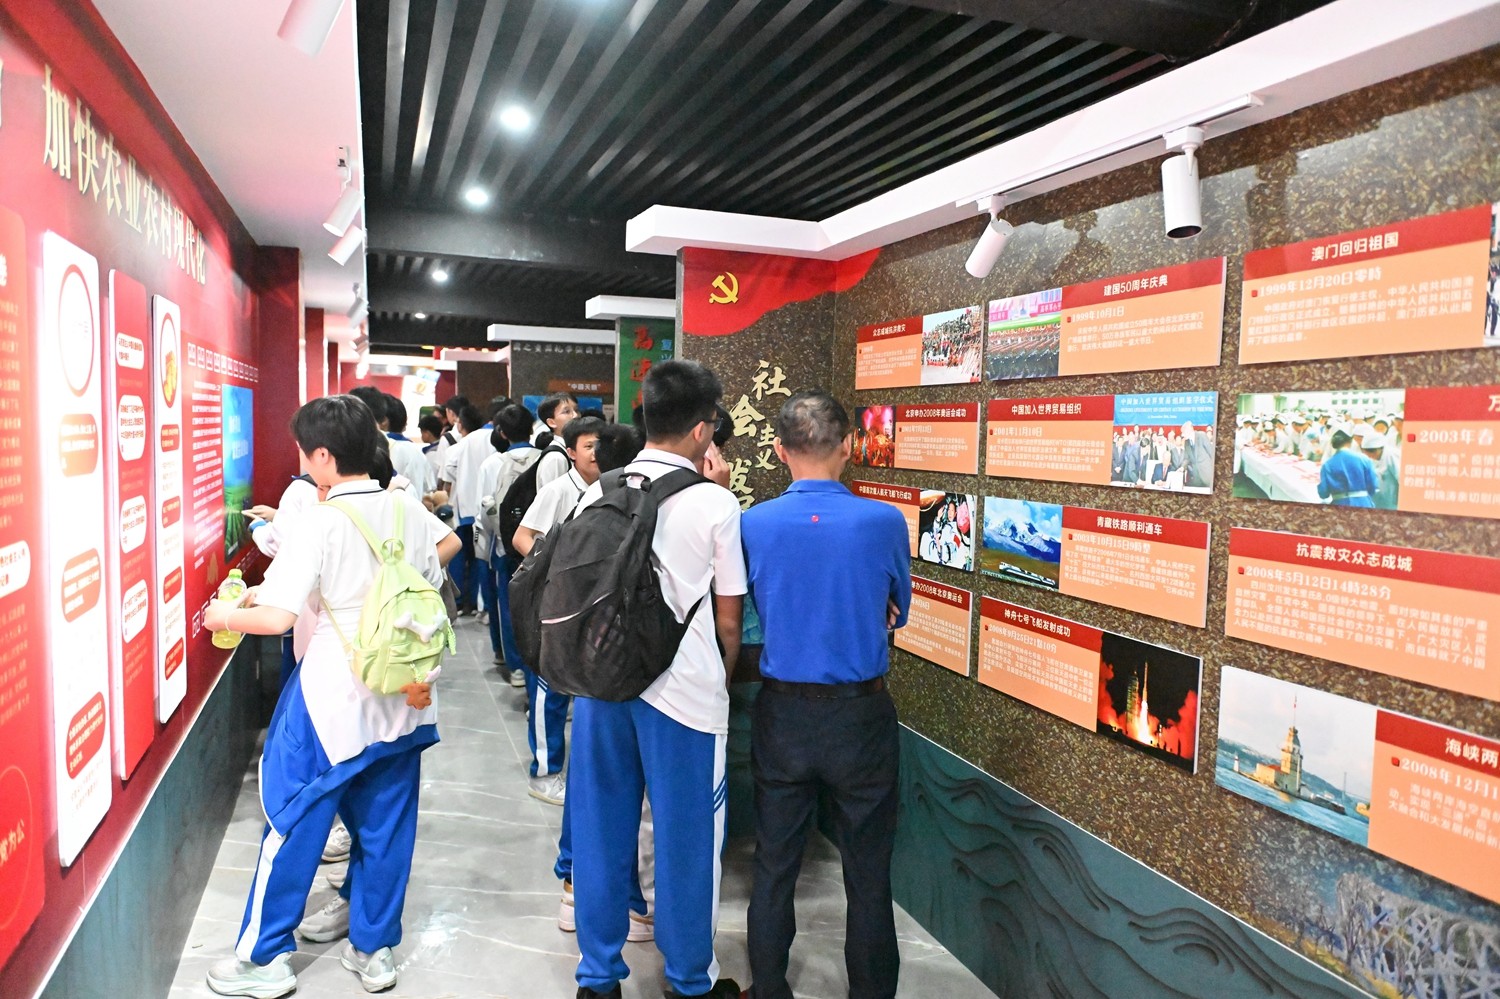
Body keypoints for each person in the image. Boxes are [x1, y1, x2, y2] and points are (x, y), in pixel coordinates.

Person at [202, 395, 459, 999]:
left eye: (302, 451)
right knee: (387, 828)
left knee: (291, 820)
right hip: (405, 693)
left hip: (331, 701)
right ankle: (374, 951)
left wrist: (221, 614)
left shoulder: (321, 520)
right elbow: (434, 570)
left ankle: (264, 959)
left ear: (322, 455)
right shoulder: (405, 507)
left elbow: (276, 616)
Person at [568, 360, 745, 999]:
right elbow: (729, 620)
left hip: (601, 686)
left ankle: (597, 976)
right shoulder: (715, 502)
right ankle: (689, 979)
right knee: (687, 838)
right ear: (702, 429)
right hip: (684, 696)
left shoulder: (599, 489)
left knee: (600, 830)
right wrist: (722, 681)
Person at [740, 390, 911, 999]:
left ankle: (769, 989)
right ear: (849, 446)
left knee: (774, 864)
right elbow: (898, 610)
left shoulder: (752, 523)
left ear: (780, 450)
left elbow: (750, 608)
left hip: (782, 711)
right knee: (868, 873)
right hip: (861, 714)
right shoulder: (884, 521)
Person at [475, 404, 541, 675]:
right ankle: (535, 664)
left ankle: (514, 665)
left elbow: (484, 509)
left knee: (506, 604)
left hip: (503, 545)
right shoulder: (546, 458)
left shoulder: (492, 464)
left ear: (501, 432)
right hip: (539, 543)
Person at [440, 404, 495, 614]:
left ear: (461, 424)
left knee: (459, 556)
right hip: (487, 509)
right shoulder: (492, 438)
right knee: (481, 558)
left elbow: (448, 470)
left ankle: (459, 601)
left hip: (464, 509)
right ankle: (480, 602)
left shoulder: (462, 445)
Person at [1316, 430, 1378, 507]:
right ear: (1350, 442)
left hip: (1340, 504)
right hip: (1363, 503)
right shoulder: (1364, 459)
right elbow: (1373, 485)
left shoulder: (1328, 465)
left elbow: (1323, 493)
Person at [534, 392, 581, 490]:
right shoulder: (556, 458)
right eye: (566, 412)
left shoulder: (567, 449)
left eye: (576, 410)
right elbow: (554, 496)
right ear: (551, 422)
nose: (575, 415)